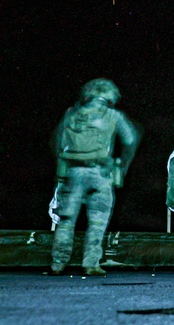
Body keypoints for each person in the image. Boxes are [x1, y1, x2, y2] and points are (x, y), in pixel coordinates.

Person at [50, 79, 139, 276]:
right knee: (98, 222)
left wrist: (62, 169)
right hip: (100, 173)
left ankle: (58, 264)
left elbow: (59, 144)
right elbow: (130, 140)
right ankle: (91, 264)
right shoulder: (113, 115)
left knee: (65, 221)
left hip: (73, 172)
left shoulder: (72, 114)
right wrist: (121, 165)